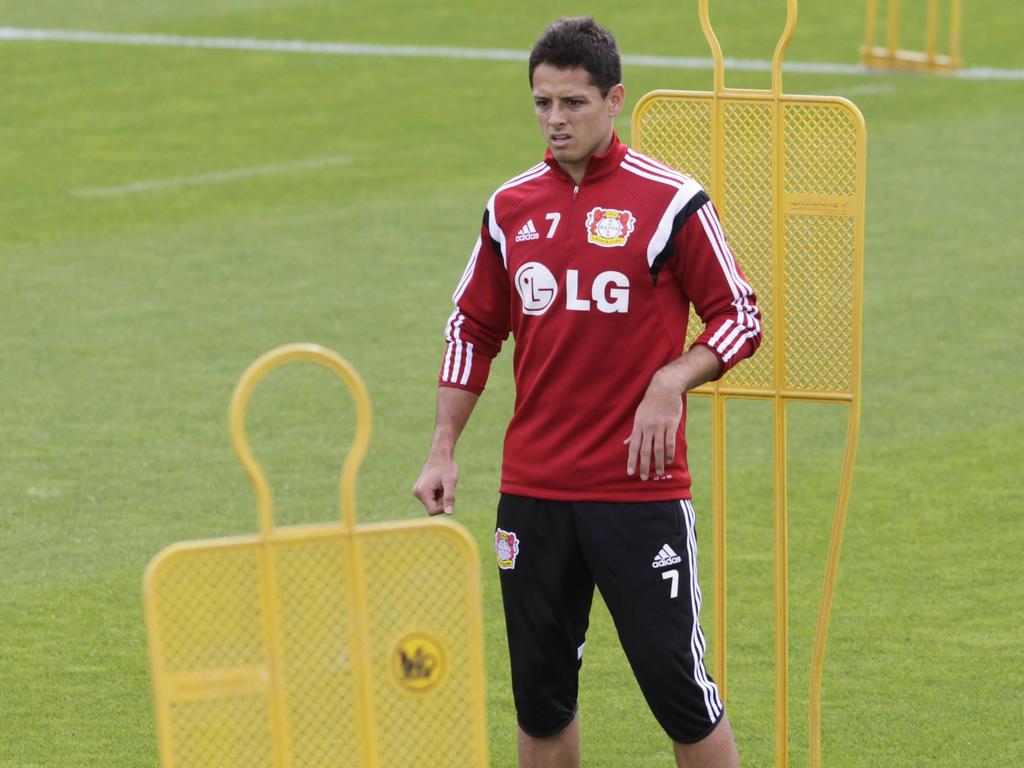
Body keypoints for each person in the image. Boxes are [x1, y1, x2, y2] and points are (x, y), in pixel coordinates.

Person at [413, 16, 760, 768]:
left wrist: (674, 376)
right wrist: (442, 450)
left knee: (682, 693)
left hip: (638, 494)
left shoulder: (672, 202)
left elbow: (740, 316)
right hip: (533, 493)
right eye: (542, 103)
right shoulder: (510, 208)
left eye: (572, 103)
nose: (555, 120)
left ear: (614, 100)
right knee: (540, 701)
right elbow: (472, 329)